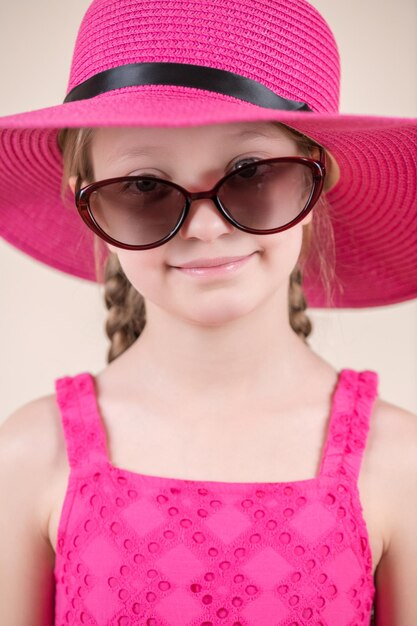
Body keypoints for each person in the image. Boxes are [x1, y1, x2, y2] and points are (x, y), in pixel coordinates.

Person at [0, 0, 416, 624]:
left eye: (250, 173)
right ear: (86, 204)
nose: (204, 226)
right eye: (144, 187)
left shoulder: (400, 462)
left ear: (317, 180)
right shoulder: (30, 456)